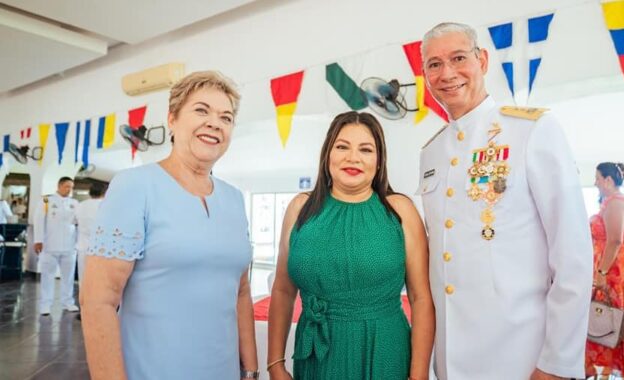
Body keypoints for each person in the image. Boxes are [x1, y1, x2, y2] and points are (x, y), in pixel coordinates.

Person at [417, 22, 593, 379]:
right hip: (451, 359)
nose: (447, 73)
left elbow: (572, 254)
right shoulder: (431, 152)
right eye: (434, 64)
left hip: (520, 354)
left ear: (482, 60)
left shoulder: (531, 130)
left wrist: (557, 361)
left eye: (458, 58)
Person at [80, 71, 259, 379]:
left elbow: (241, 291)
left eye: (226, 117)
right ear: (173, 119)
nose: (215, 123)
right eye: (201, 110)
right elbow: (98, 300)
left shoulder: (233, 199)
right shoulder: (135, 186)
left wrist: (252, 370)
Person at [267, 111, 435, 380]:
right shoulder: (300, 209)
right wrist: (275, 364)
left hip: (383, 352)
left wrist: (418, 376)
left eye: (366, 149)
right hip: (315, 357)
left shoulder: (400, 210)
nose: (353, 157)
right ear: (327, 156)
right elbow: (283, 290)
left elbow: (421, 298)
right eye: (342, 147)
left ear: (379, 161)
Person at [585, 162, 624, 379]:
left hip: (617, 272)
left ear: (608, 181)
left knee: (615, 323)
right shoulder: (611, 203)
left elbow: (615, 240)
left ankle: (617, 373)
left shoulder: (616, 204)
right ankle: (606, 373)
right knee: (607, 323)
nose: (595, 183)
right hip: (614, 268)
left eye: (598, 178)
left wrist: (600, 274)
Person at [32, 176, 79, 316]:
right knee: (47, 276)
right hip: (49, 245)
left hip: (69, 246)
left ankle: (68, 302)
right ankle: (45, 305)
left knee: (68, 276)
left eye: (71, 187)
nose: (69, 190)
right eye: (67, 186)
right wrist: (38, 240)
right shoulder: (46, 200)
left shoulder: (74, 203)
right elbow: (38, 220)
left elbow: (78, 222)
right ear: (59, 186)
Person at [75, 183, 106, 285]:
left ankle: (83, 300)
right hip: (101, 248)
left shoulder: (80, 205)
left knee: (83, 278)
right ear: (105, 192)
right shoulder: (106, 205)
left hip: (83, 247)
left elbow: (73, 221)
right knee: (99, 279)